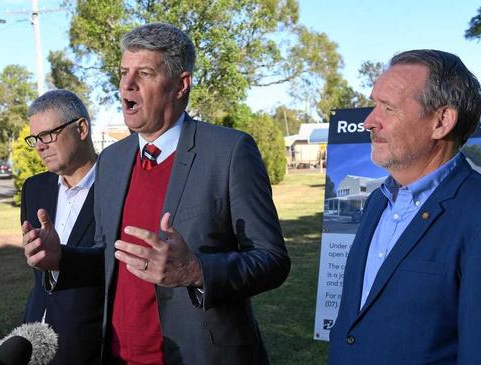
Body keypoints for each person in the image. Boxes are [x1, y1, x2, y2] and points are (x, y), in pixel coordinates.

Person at [22, 23, 290, 364]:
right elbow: (109, 256)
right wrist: (62, 258)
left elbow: (273, 260)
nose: (126, 85)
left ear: (181, 85)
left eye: (144, 73)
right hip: (118, 356)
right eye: (123, 73)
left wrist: (195, 271)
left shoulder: (230, 151)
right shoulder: (113, 160)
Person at [327, 50, 481, 364]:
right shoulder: (379, 201)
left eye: (387, 108)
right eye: (374, 104)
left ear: (441, 121)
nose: (368, 122)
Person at [20, 89, 103, 365]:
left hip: (90, 345)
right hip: (33, 339)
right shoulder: (34, 189)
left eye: (48, 135)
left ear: (81, 129)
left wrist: (63, 261)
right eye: (35, 139)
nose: (40, 146)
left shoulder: (117, 187)